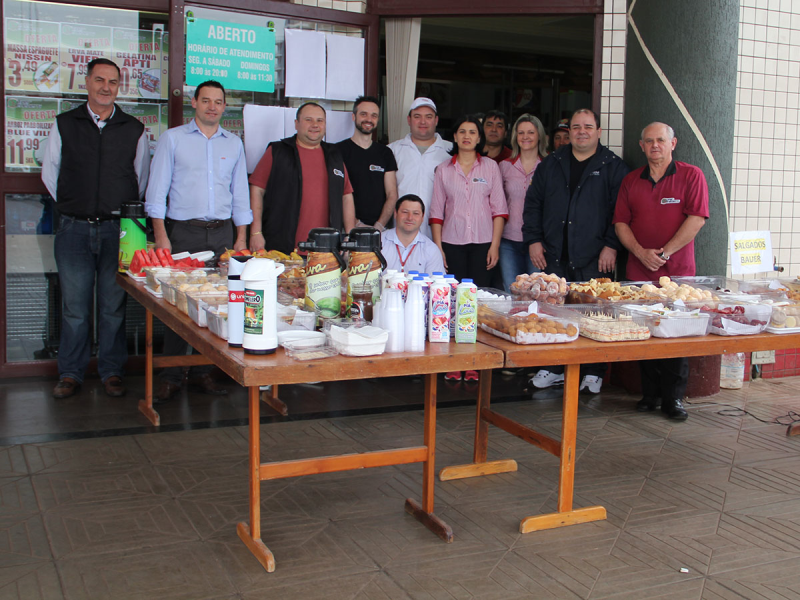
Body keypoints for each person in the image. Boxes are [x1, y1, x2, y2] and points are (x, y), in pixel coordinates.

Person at [42, 58, 150, 400]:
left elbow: (140, 178)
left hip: (117, 232)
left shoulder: (133, 128)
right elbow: (51, 172)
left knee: (112, 305)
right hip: (73, 228)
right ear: (86, 82)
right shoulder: (64, 124)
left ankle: (111, 371)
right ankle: (71, 372)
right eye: (100, 80)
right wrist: (76, 203)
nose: (106, 87)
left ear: (120, 87)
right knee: (74, 307)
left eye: (113, 82)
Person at [146, 80, 253, 403]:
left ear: (224, 106)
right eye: (205, 100)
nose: (212, 107)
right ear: (194, 102)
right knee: (178, 305)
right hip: (183, 232)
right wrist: (161, 235)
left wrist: (240, 239)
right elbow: (157, 191)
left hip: (221, 234)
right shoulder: (173, 139)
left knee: (218, 303)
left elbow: (240, 195)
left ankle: (207, 370)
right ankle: (172, 375)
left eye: (218, 102)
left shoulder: (234, 144)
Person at [522, 108, 630, 394]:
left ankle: (593, 372)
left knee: (592, 314)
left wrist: (611, 245)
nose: (582, 131)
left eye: (588, 126)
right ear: (568, 131)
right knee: (553, 312)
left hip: (595, 256)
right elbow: (533, 203)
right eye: (576, 126)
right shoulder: (552, 163)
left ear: (598, 131)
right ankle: (555, 367)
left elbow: (620, 212)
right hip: (553, 253)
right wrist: (533, 239)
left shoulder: (613, 166)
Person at [614, 122, 709, 421]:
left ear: (673, 143)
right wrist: (641, 253)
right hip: (638, 270)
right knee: (644, 331)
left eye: (660, 140)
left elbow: (697, 219)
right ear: (641, 146)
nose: (655, 145)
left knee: (674, 335)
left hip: (677, 274)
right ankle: (649, 393)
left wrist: (665, 252)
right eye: (649, 141)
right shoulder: (631, 180)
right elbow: (620, 223)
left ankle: (674, 399)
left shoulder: (691, 175)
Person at [430, 115, 507, 383]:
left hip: (483, 243)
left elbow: (499, 210)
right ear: (454, 136)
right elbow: (437, 213)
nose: (467, 136)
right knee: (451, 303)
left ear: (479, 138)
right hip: (451, 243)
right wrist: (438, 249)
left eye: (472, 132)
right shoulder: (443, 170)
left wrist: (495, 245)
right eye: (462, 131)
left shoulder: (490, 168)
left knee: (475, 302)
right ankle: (453, 361)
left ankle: (474, 360)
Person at [250, 102, 355, 253]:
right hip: (283, 248)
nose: (315, 125)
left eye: (320, 120)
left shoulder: (334, 155)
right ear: (296, 124)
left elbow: (346, 196)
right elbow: (256, 190)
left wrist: (349, 235)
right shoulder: (277, 151)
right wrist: (256, 232)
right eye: (308, 120)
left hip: (326, 251)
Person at [388, 97, 453, 239]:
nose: (423, 122)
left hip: (438, 235)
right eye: (417, 116)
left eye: (428, 117)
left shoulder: (451, 151)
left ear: (436, 120)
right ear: (409, 120)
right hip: (399, 234)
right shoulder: (392, 150)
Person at [498, 114, 548, 291]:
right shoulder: (504, 166)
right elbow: (498, 204)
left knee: (536, 294)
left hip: (539, 243)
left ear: (539, 135)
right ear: (515, 137)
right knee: (511, 292)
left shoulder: (550, 166)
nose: (525, 137)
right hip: (508, 240)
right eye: (521, 133)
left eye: (530, 132)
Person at [336, 96, 398, 232]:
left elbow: (392, 194)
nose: (369, 119)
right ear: (353, 116)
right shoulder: (338, 151)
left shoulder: (385, 153)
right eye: (363, 114)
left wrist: (379, 226)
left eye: (374, 115)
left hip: (380, 231)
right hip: (346, 229)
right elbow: (336, 192)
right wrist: (356, 224)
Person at [381, 194, 445, 275]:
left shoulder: (431, 250)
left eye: (416, 213)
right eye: (405, 212)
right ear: (395, 214)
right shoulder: (378, 242)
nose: (410, 217)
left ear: (422, 217)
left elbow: (435, 284)